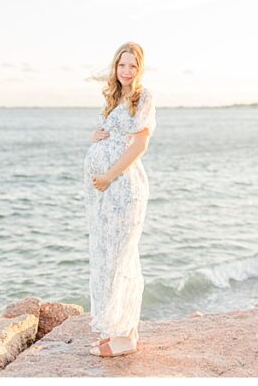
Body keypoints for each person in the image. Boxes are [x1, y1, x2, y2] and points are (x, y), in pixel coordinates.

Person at [83, 41, 156, 357]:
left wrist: (109, 175)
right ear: (115, 67)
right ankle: (116, 329)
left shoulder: (144, 97)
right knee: (106, 257)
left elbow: (139, 145)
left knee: (122, 258)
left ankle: (126, 338)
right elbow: (107, 131)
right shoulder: (113, 97)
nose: (126, 71)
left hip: (124, 189)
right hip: (105, 195)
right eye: (121, 65)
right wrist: (96, 137)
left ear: (140, 69)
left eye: (132, 66)